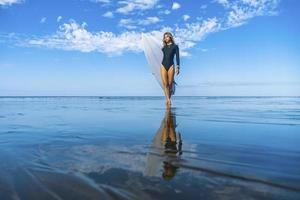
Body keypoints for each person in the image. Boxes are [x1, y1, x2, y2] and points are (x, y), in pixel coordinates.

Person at [160, 32, 180, 106]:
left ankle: (169, 98)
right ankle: (168, 100)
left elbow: (177, 57)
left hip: (171, 65)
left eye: (167, 37)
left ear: (170, 37)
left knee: (170, 84)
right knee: (165, 84)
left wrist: (178, 66)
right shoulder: (163, 48)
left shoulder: (175, 46)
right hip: (163, 65)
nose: (165, 38)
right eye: (164, 37)